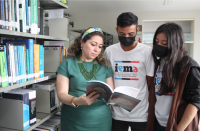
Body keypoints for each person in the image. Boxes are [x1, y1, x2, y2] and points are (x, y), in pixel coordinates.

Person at [56, 27, 114, 131]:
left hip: (101, 121)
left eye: (100, 46)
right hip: (73, 121)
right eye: (93, 44)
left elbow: (111, 93)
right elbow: (61, 94)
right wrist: (77, 100)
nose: (97, 50)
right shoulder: (67, 64)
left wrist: (117, 100)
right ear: (82, 43)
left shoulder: (105, 66)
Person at [104, 12, 155, 131]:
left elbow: (149, 83)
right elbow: (108, 78)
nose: (126, 37)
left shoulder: (147, 52)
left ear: (137, 30)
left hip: (140, 113)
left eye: (131, 33)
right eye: (122, 33)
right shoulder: (110, 51)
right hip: (116, 112)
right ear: (116, 30)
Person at [146, 22, 200, 131]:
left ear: (175, 44)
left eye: (164, 43)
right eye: (156, 42)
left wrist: (179, 129)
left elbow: (195, 102)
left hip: (177, 124)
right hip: (157, 123)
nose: (159, 46)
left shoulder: (189, 67)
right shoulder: (158, 63)